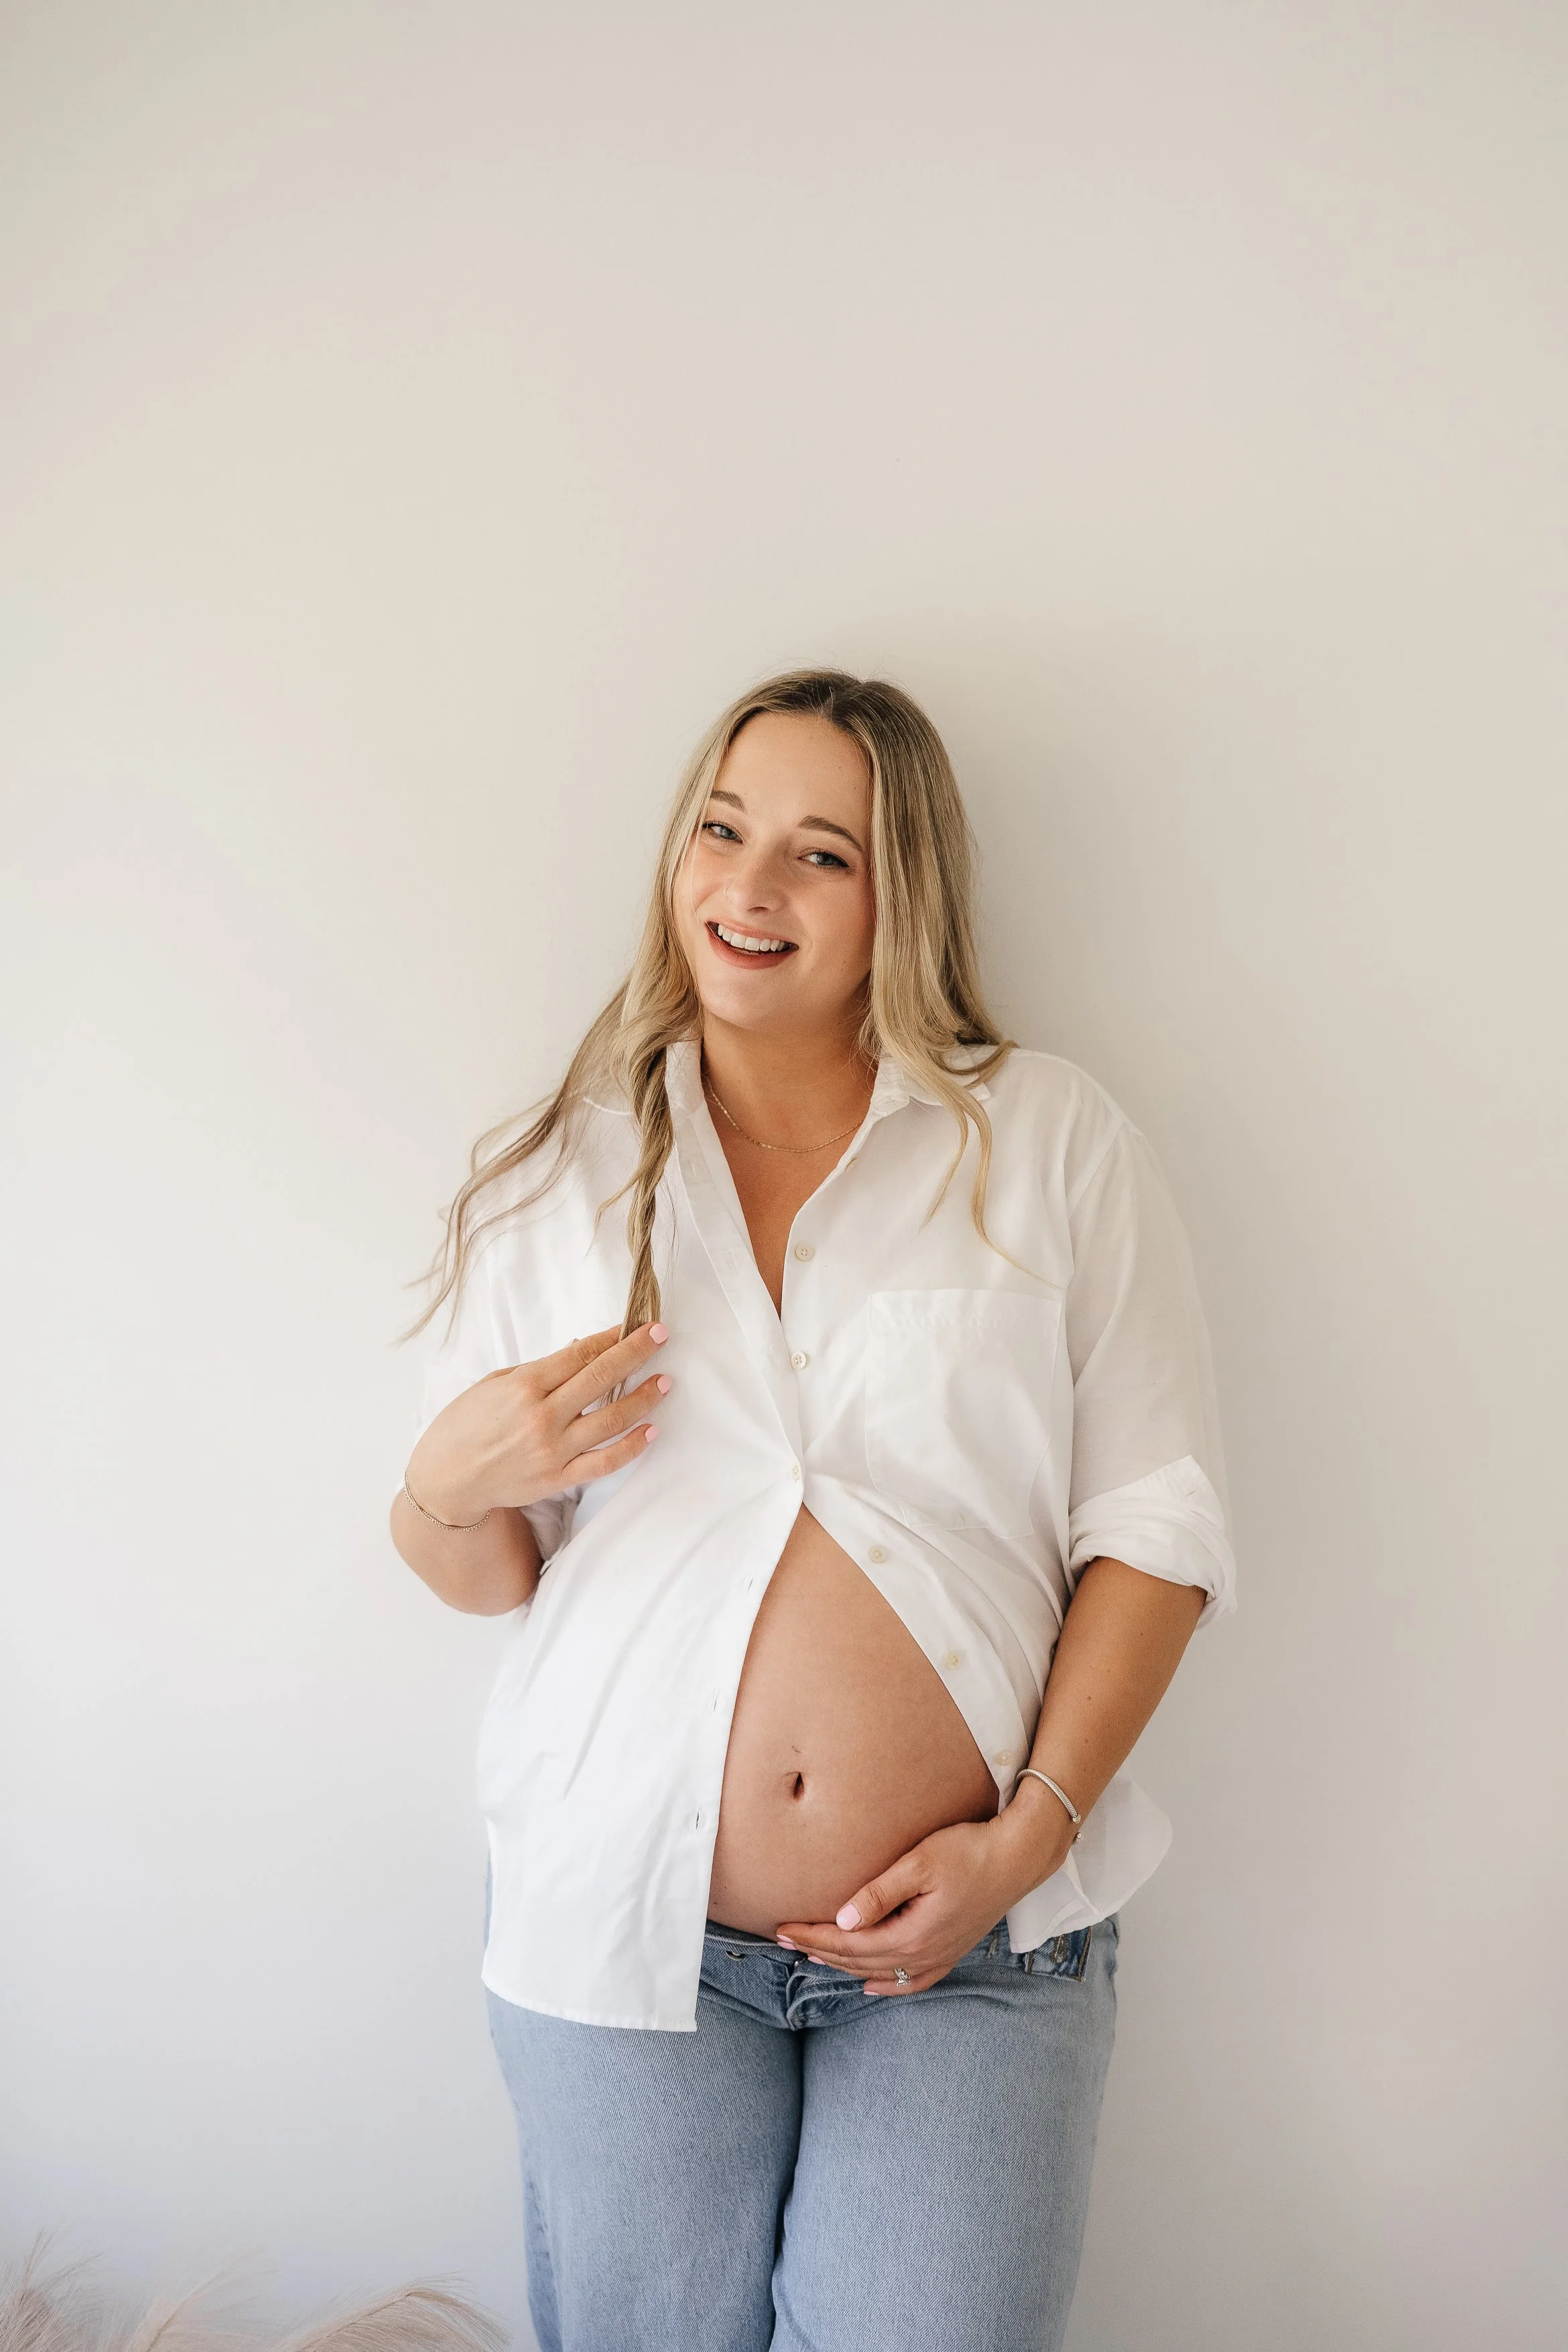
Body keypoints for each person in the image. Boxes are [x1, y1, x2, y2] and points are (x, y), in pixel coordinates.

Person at [391, 668, 1236, 2352]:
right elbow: (483, 1574)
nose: (748, 887)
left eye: (819, 853)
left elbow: (1156, 1523)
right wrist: (446, 1478)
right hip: (631, 1927)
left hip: (981, 1942)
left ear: (898, 894)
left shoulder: (1046, 1141)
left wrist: (1029, 1839)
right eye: (721, 829)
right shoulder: (559, 1175)